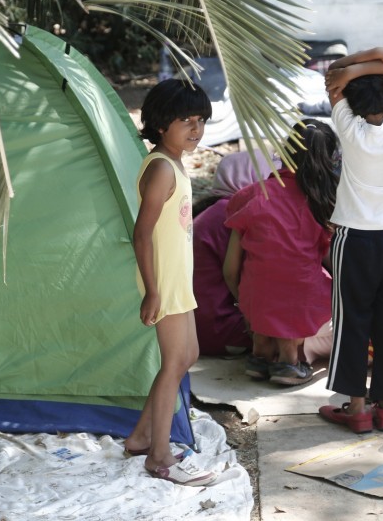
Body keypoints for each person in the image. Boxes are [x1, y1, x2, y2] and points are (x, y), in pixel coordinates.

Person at [318, 47, 383, 434]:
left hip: (354, 242)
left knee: (352, 323)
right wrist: (381, 57)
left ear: (352, 101)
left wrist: (360, 64)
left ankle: (358, 409)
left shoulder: (348, 128)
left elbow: (332, 75)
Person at [123, 78, 217, 487]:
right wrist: (153, 290)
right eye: (186, 121)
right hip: (163, 281)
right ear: (162, 124)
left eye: (201, 120)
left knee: (187, 354)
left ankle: (141, 436)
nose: (196, 129)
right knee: (174, 361)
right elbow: (141, 235)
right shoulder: (161, 168)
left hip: (178, 279)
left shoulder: (174, 161)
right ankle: (158, 456)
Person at [222, 119, 339, 386]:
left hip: (254, 295)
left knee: (267, 291)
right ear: (329, 160)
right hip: (301, 297)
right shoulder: (322, 204)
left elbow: (230, 269)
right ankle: (289, 361)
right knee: (303, 287)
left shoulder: (252, 195)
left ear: (285, 152)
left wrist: (245, 304)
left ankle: (259, 356)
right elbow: (330, 260)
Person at [192, 151, 275, 356]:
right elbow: (250, 276)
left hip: (195, 327)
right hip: (220, 328)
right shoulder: (232, 214)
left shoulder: (214, 209)